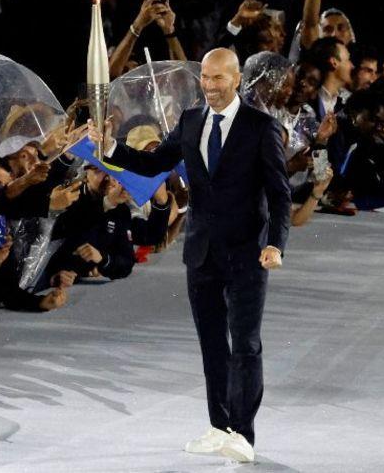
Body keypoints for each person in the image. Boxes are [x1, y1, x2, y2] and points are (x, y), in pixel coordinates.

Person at [94, 48, 291, 462]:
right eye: (205, 77)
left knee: (245, 345)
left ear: (237, 79)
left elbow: (279, 193)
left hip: (247, 253)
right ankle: (219, 425)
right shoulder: (190, 122)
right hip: (201, 251)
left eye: (219, 78)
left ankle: (243, 433)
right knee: (212, 345)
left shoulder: (261, 127)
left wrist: (275, 243)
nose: (211, 86)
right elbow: (152, 166)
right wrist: (111, 146)